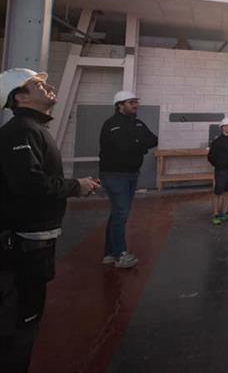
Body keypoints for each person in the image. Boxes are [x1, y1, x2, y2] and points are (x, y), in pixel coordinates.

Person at [0, 68, 99, 372]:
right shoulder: (22, 131)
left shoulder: (34, 129)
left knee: (28, 315)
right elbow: (29, 184)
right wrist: (75, 186)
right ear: (20, 96)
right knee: (21, 322)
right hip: (24, 243)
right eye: (38, 84)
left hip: (35, 239)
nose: (48, 86)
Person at [99, 90, 158, 269]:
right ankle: (120, 254)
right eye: (131, 102)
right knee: (121, 213)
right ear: (120, 105)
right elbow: (123, 147)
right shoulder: (112, 124)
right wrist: (140, 145)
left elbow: (153, 139)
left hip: (131, 174)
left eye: (136, 102)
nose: (135, 105)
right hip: (114, 175)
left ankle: (109, 253)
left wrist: (138, 144)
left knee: (118, 213)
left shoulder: (138, 123)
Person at [207, 117, 228, 225]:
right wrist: (219, 165)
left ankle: (224, 213)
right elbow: (210, 157)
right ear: (223, 127)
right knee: (218, 193)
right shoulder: (217, 142)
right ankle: (215, 214)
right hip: (221, 171)